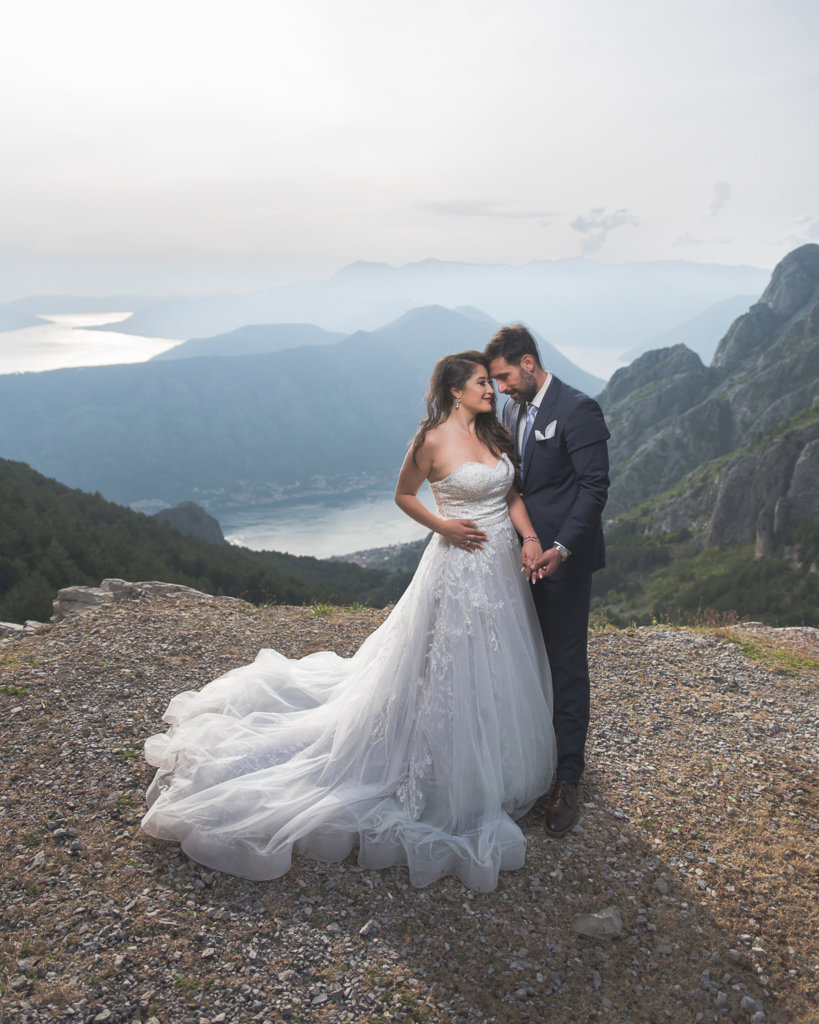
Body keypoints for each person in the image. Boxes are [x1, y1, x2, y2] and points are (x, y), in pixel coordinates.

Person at [142, 351, 556, 891]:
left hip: (501, 569)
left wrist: (528, 538)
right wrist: (444, 527)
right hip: (457, 568)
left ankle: (500, 764)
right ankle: (444, 770)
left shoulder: (495, 433)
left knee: (501, 662)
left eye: (491, 383)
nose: (492, 389)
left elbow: (511, 495)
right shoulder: (429, 440)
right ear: (456, 390)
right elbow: (403, 494)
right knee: (450, 666)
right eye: (482, 383)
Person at [485, 326, 610, 837]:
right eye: (493, 380)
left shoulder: (579, 409)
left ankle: (568, 780)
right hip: (515, 557)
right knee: (518, 658)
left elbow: (594, 487)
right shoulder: (511, 409)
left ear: (529, 363)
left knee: (565, 663)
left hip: (562, 560)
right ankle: (526, 763)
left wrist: (560, 548)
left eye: (505, 376)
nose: (501, 388)